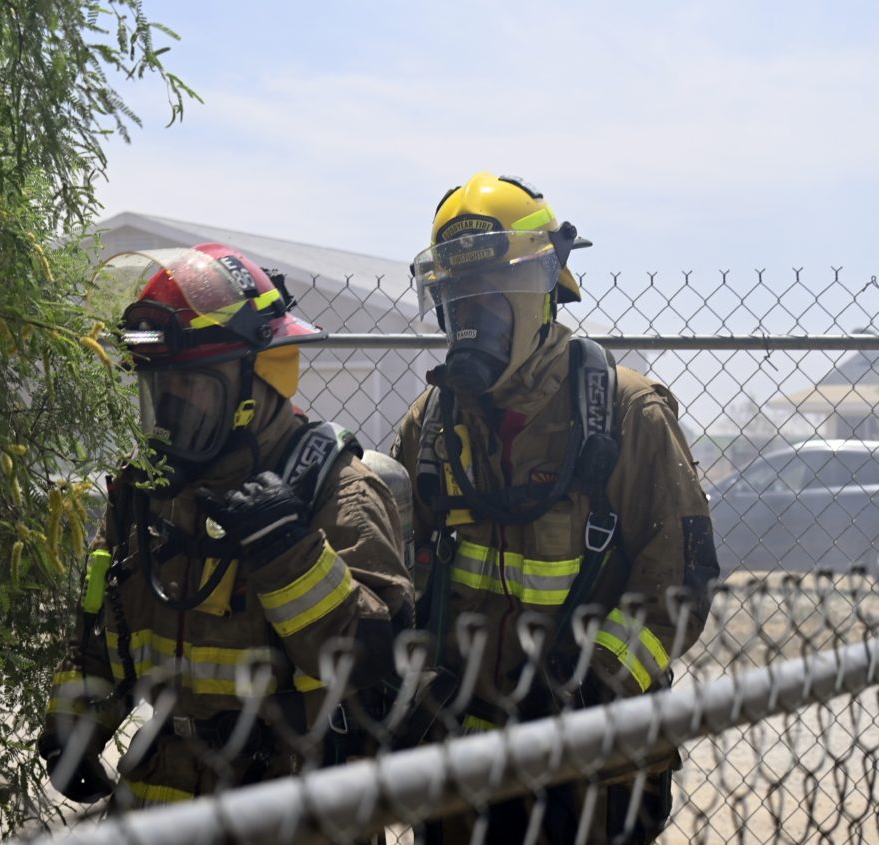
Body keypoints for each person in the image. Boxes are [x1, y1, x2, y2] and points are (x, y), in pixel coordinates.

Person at [391, 173, 719, 843]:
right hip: (464, 772)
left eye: (488, 298)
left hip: (593, 768)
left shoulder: (626, 412)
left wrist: (590, 690)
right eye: (456, 299)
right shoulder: (430, 424)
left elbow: (680, 581)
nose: (470, 319)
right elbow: (399, 581)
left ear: (540, 291)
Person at [39, 244, 414, 808]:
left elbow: (378, 658)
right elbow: (104, 627)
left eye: (193, 383)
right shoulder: (147, 490)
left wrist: (287, 552)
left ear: (260, 379)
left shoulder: (335, 489)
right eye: (161, 385)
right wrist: (75, 724)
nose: (172, 404)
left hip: (291, 798)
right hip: (162, 787)